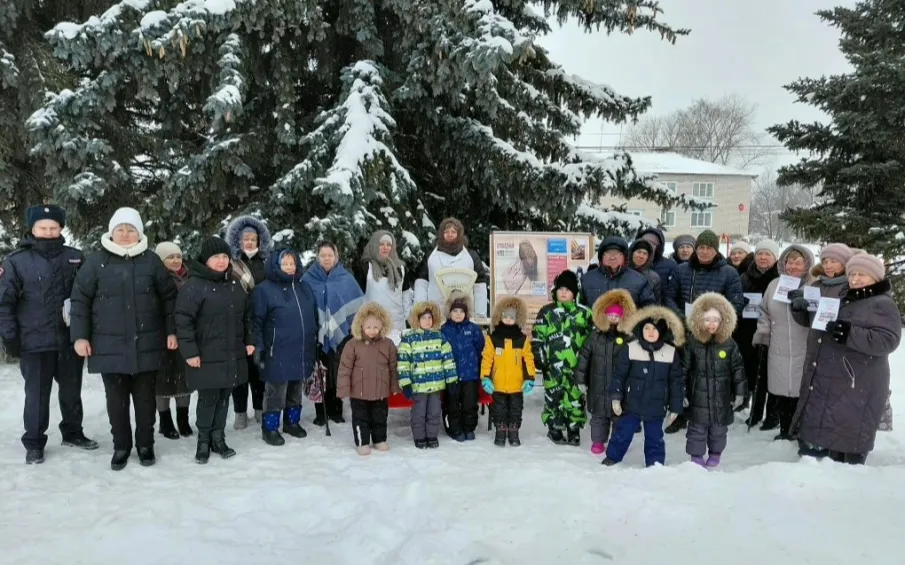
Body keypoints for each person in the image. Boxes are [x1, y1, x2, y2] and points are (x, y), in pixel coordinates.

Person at [70, 207, 178, 470]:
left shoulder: (151, 261)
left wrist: (172, 331)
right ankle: (121, 446)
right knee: (116, 404)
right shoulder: (96, 263)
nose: (126, 234)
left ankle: (145, 445)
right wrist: (79, 336)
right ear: (112, 231)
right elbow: (80, 301)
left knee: (145, 402)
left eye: (131, 229)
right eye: (121, 229)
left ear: (139, 232)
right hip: (109, 347)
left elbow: (169, 300)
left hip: (147, 344)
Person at [0, 204, 97, 464]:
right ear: (32, 229)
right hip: (34, 342)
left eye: (53, 227)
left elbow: (88, 297)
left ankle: (73, 432)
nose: (48, 232)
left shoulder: (75, 257)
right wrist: (9, 338)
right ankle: (34, 441)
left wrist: (85, 333)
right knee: (37, 395)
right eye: (42, 227)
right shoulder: (15, 262)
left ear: (61, 228)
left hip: (69, 340)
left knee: (71, 392)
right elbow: (4, 303)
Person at [791, 253, 901, 464]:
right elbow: (821, 323)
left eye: (862, 275)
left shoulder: (881, 303)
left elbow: (889, 340)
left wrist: (848, 332)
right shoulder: (844, 296)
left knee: (852, 421)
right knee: (835, 418)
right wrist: (802, 310)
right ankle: (828, 455)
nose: (855, 279)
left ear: (875, 278)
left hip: (859, 377)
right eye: (852, 274)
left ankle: (850, 462)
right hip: (836, 375)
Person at [176, 237, 253, 464]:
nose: (221, 261)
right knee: (208, 399)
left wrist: (249, 340)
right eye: (216, 257)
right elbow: (183, 320)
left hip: (231, 354)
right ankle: (203, 441)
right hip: (205, 355)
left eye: (224, 257)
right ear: (205, 260)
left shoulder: (234, 284)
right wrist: (190, 352)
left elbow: (247, 316)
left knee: (224, 398)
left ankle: (218, 438)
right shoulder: (194, 285)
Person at [664, 230, 744, 434]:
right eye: (701, 248)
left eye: (709, 248)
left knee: (706, 376)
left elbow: (735, 304)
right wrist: (681, 318)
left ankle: (708, 415)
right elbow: (670, 296)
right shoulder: (682, 270)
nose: (704, 252)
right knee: (682, 373)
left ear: (715, 250)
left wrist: (715, 323)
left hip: (713, 333)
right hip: (685, 331)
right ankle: (679, 412)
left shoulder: (729, 273)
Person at [788, 243, 855, 453]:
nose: (828, 265)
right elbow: (808, 320)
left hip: (837, 350)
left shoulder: (850, 288)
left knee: (833, 397)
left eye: (834, 261)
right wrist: (797, 308)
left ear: (845, 263)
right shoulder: (816, 286)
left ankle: (830, 441)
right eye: (825, 261)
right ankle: (809, 437)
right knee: (813, 394)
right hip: (814, 347)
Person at [252, 249, 319, 446]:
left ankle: (292, 422)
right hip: (277, 349)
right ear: (275, 265)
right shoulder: (264, 290)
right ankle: (270, 427)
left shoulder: (303, 287)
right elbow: (256, 321)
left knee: (296, 387)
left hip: (301, 347)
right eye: (285, 263)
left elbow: (313, 315)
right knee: (276, 390)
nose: (290, 267)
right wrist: (258, 345)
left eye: (293, 263)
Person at [602, 305, 684, 467]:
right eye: (646, 328)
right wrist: (616, 398)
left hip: (656, 406)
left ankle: (654, 463)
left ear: (662, 331)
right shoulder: (631, 348)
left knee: (655, 437)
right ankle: (612, 457)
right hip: (632, 404)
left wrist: (675, 407)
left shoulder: (670, 353)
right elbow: (619, 375)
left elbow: (676, 382)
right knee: (622, 433)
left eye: (655, 329)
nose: (650, 332)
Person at [752, 245, 814, 440]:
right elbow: (764, 312)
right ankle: (784, 429)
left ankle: (799, 431)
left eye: (798, 262)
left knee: (800, 391)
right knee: (781, 392)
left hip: (803, 347)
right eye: (790, 262)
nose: (793, 266)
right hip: (778, 347)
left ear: (806, 264)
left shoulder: (814, 286)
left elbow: (820, 315)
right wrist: (763, 333)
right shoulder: (774, 285)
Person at [302, 241, 364, 425]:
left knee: (337, 372)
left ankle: (336, 409)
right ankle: (320, 412)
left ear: (336, 257)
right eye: (323, 255)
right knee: (319, 372)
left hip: (341, 335)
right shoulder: (308, 279)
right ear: (317, 257)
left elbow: (357, 304)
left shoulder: (345, 278)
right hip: (316, 334)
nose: (327, 259)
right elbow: (303, 305)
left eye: (330, 255)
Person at [684, 293, 746, 468]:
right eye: (707, 319)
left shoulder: (729, 344)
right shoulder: (692, 342)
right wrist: (681, 391)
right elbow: (683, 369)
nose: (711, 324)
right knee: (697, 428)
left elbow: (738, 370)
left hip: (722, 396)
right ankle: (696, 455)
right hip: (698, 396)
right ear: (698, 320)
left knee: (719, 429)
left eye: (716, 320)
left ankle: (715, 452)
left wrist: (740, 393)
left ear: (723, 321)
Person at [534, 270, 593, 446]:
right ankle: (555, 428)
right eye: (561, 289)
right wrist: (540, 357)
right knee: (554, 397)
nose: (564, 292)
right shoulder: (546, 312)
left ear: (575, 293)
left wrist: (589, 362)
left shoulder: (585, 313)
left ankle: (574, 430)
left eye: (568, 289)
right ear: (555, 291)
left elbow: (591, 339)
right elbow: (538, 337)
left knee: (575, 399)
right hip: (553, 367)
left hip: (577, 367)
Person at [573, 289, 636, 455]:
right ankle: (598, 441)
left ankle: (616, 442)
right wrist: (580, 379)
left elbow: (636, 360)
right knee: (599, 417)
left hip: (620, 388)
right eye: (610, 315)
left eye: (617, 315)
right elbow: (584, 357)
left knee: (619, 417)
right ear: (604, 315)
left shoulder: (629, 337)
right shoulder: (595, 336)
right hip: (598, 385)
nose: (613, 318)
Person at [225, 215, 272, 429]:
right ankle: (240, 411)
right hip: (237, 322)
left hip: (261, 321)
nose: (250, 242)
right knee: (240, 371)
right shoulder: (231, 264)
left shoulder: (267, 263)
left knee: (259, 369)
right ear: (239, 241)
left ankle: (260, 409)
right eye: (246, 239)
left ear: (260, 240)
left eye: (253, 238)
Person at [337, 302, 399, 455]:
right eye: (369, 327)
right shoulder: (352, 345)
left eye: (376, 327)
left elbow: (393, 368)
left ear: (382, 327)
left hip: (380, 391)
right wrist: (344, 388)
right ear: (361, 326)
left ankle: (379, 440)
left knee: (380, 417)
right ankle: (362, 441)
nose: (372, 331)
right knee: (360, 418)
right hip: (359, 392)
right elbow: (345, 368)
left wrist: (395, 386)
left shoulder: (388, 344)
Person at [397, 302, 457, 449]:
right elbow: (403, 363)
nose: (427, 321)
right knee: (419, 413)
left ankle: (432, 435)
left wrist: (451, 380)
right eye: (423, 318)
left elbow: (448, 360)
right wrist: (405, 383)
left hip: (436, 384)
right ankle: (419, 437)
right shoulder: (409, 339)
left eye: (430, 318)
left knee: (434, 412)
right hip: (418, 385)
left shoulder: (440, 337)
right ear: (417, 320)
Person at [734, 239, 780, 424]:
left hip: (771, 329)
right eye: (760, 253)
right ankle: (746, 403)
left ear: (775, 257)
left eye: (767, 254)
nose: (763, 257)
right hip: (746, 328)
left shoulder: (779, 278)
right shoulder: (745, 276)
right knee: (747, 367)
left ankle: (771, 413)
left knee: (769, 372)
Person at [480, 295, 536, 447]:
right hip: (497, 384)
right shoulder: (493, 338)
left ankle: (513, 432)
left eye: (512, 317)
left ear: (517, 319)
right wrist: (485, 377)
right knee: (499, 409)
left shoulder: (522, 339)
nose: (509, 319)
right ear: (500, 317)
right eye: (506, 316)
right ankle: (500, 431)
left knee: (516, 409)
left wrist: (530, 378)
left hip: (516, 385)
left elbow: (528, 360)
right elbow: (487, 359)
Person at [154, 242, 194, 440]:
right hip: (162, 336)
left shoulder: (190, 277)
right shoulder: (156, 279)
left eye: (178, 256)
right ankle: (165, 421)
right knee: (163, 381)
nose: (176, 260)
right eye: (170, 257)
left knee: (184, 378)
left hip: (186, 334)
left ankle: (183, 419)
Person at [414, 217, 489, 317]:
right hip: (435, 316)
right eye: (446, 231)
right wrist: (420, 312)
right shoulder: (430, 256)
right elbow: (422, 284)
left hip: (463, 316)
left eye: (453, 231)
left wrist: (480, 315)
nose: (450, 234)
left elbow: (480, 286)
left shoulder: (471, 256)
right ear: (441, 233)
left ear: (459, 234)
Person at [441, 292, 485, 442]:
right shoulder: (444, 330)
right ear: (450, 312)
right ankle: (455, 429)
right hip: (451, 375)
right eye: (455, 311)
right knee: (452, 404)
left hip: (470, 374)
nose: (458, 314)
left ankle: (469, 428)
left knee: (470, 404)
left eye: (461, 311)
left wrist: (477, 366)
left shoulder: (473, 329)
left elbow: (480, 348)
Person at [355, 230, 412, 345]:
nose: (385, 247)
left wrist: (408, 319)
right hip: (372, 327)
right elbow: (357, 298)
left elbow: (406, 296)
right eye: (381, 244)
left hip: (397, 326)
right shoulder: (366, 267)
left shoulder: (400, 268)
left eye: (389, 245)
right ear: (375, 245)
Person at [580, 236, 655, 309]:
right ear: (601, 257)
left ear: (624, 257)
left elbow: (649, 309)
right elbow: (579, 307)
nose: (612, 257)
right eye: (608, 253)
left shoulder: (639, 280)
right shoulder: (587, 279)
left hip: (628, 321)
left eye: (617, 253)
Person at [628, 239, 662, 304]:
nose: (641, 256)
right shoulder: (622, 272)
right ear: (632, 253)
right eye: (638, 252)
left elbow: (657, 303)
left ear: (648, 257)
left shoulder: (653, 277)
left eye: (645, 253)